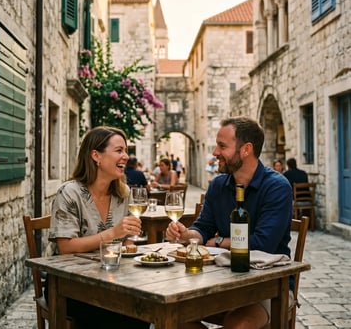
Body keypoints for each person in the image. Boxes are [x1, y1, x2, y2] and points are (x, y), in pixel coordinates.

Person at [165, 117, 293, 329]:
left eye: (222, 146)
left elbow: (262, 244)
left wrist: (217, 242)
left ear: (246, 149)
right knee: (172, 317)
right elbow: (203, 228)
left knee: (237, 324)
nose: (215, 152)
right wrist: (189, 235)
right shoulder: (218, 185)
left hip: (268, 286)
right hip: (222, 281)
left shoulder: (277, 187)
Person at [46, 126, 150, 329]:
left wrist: (128, 242)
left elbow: (127, 239)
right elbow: (65, 247)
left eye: (125, 150)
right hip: (71, 285)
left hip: (114, 281)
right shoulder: (69, 193)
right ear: (96, 156)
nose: (126, 156)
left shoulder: (124, 193)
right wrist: (112, 234)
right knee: (117, 315)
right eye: (119, 150)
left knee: (143, 309)